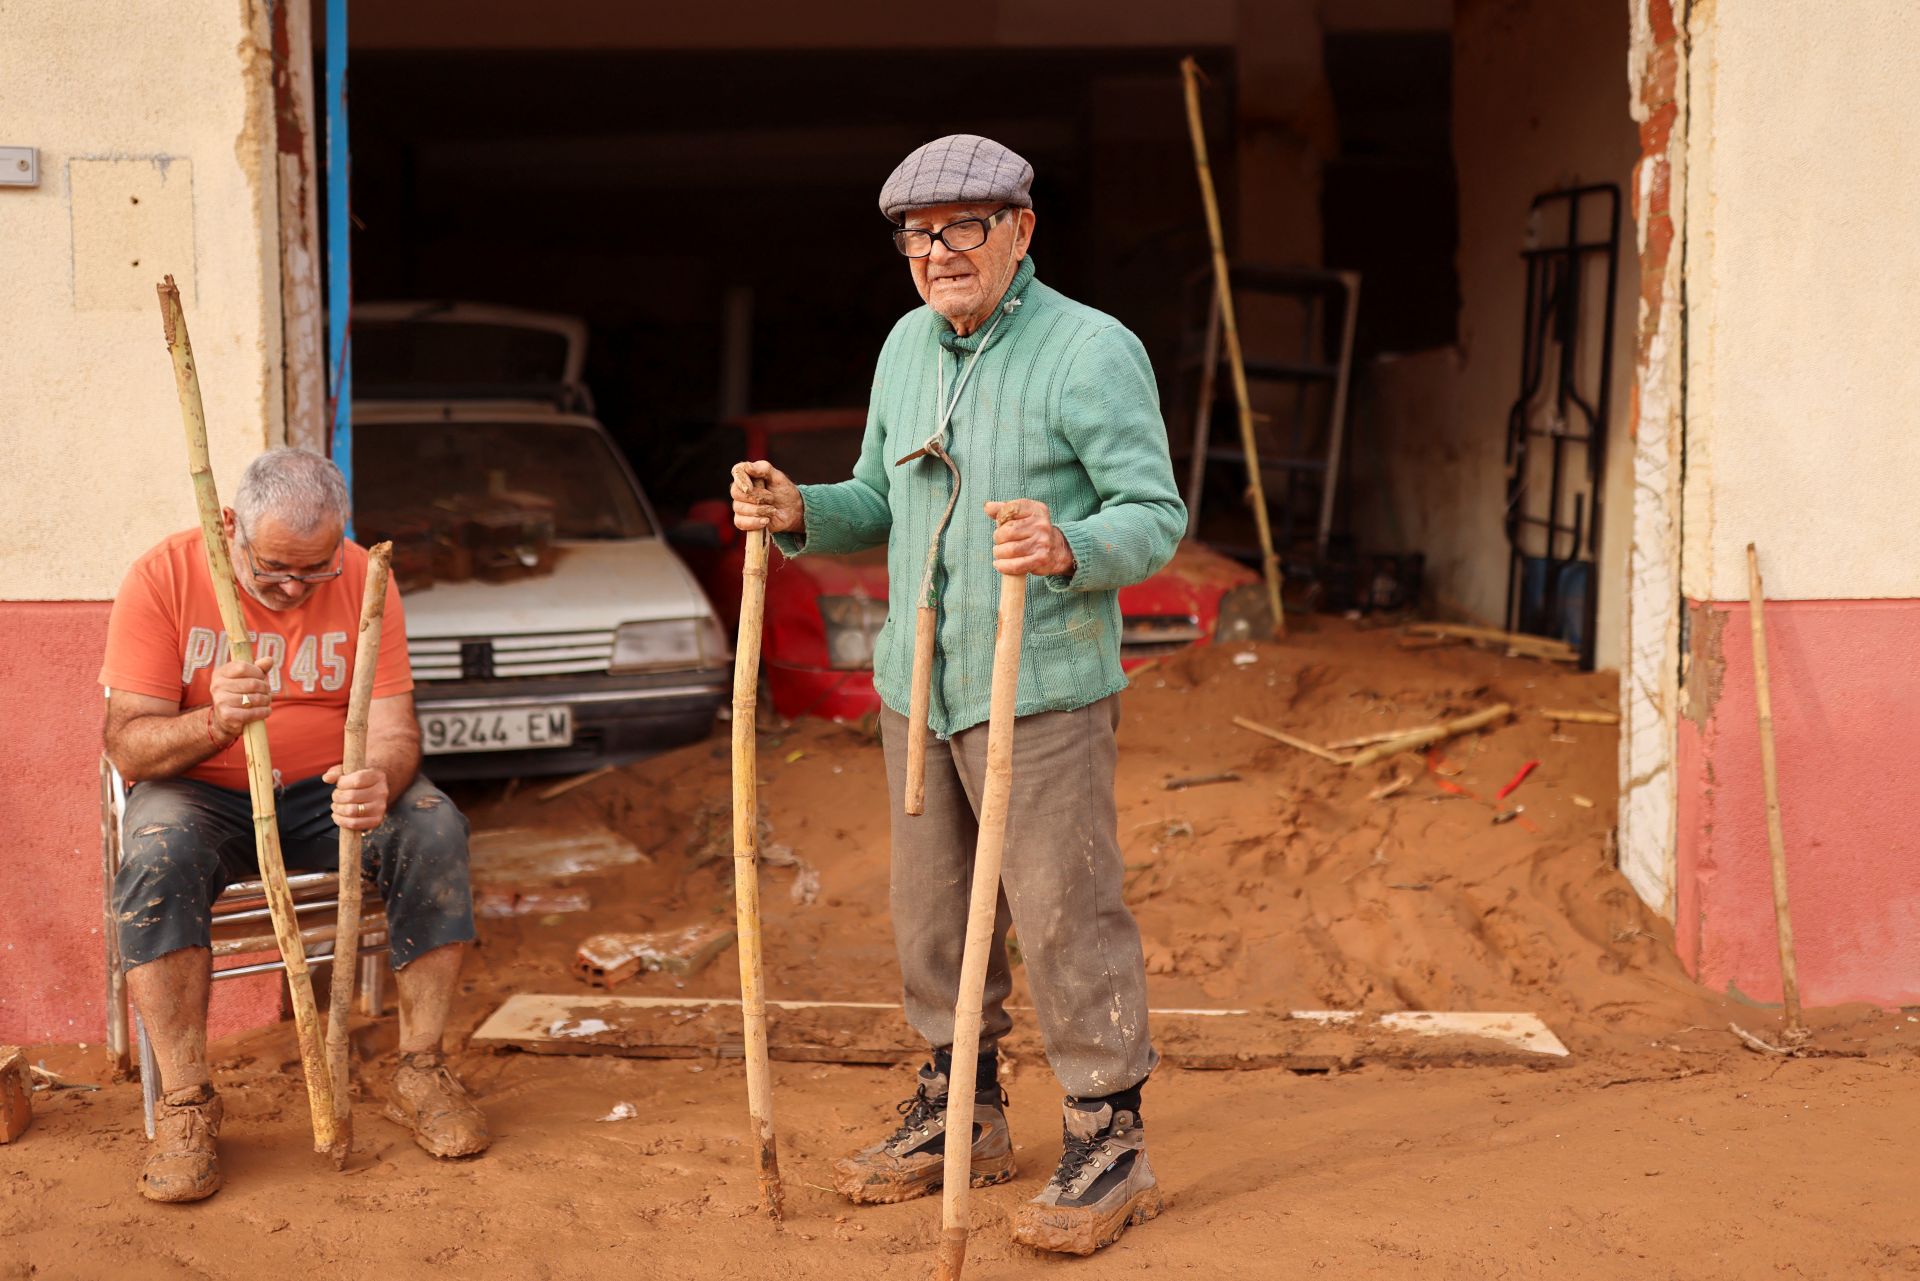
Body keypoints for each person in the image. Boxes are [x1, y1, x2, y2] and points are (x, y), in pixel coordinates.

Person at [729, 134, 1183, 1255]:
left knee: (1064, 913)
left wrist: (1066, 543)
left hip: (1041, 685)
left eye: (965, 226)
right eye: (918, 234)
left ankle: (1107, 1138)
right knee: (931, 914)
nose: (938, 253)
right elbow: (879, 499)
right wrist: (799, 512)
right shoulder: (905, 348)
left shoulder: (1091, 350)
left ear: (1023, 231)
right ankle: (961, 1111)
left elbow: (1156, 513)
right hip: (918, 686)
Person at [102, 447, 487, 1202]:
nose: (292, 586)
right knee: (155, 854)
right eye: (274, 565)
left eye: (312, 570)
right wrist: (214, 720)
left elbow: (394, 728)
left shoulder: (364, 576)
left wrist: (375, 777)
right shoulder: (164, 576)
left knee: (434, 826)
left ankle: (421, 1069)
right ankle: (185, 1103)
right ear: (231, 526)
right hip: (200, 792)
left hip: (324, 792)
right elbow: (127, 742)